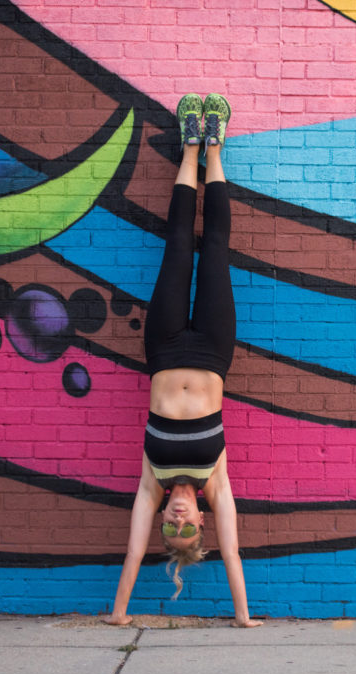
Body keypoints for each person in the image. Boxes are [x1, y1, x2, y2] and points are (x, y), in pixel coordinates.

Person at [105, 94, 261, 628]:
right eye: (187, 526)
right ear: (201, 519)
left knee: (176, 243)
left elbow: (131, 553)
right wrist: (242, 617)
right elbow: (235, 555)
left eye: (170, 530)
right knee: (214, 246)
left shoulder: (152, 481)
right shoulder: (216, 484)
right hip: (215, 351)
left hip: (165, 346)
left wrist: (119, 615)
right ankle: (214, 146)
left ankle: (189, 145)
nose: (175, 520)